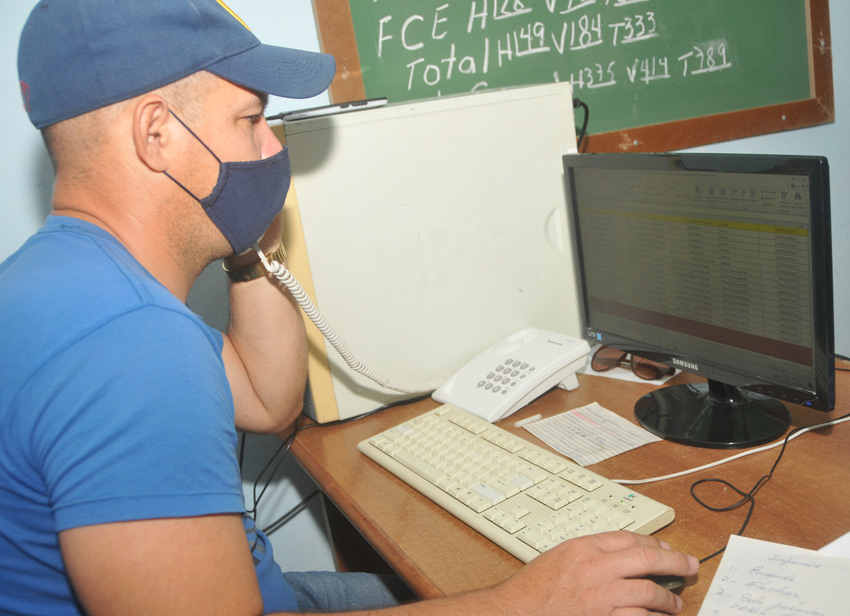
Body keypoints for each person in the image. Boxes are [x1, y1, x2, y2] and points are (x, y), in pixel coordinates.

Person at [0, 1, 699, 614]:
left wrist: (248, 248)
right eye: (251, 121)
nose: (272, 148)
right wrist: (522, 606)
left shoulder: (62, 281)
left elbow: (268, 403)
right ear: (157, 135)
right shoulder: (133, 348)